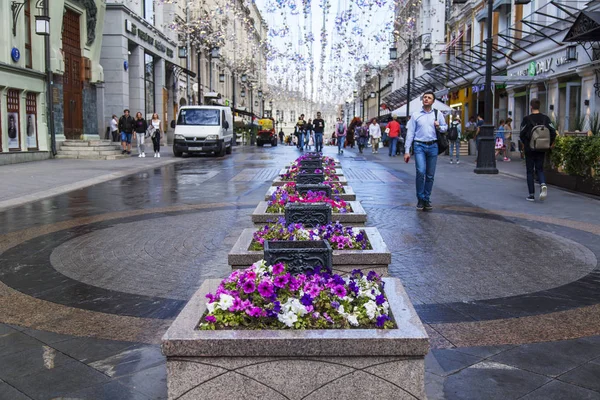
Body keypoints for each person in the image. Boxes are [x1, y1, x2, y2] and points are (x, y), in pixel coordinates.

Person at [404, 91, 448, 211]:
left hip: (433, 146)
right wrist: (407, 150)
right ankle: (420, 198)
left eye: (429, 98)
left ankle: (427, 199)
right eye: (425, 97)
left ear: (433, 101)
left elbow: (445, 128)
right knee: (420, 172)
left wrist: (439, 126)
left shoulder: (437, 113)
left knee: (430, 175)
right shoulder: (416, 115)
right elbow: (410, 133)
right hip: (419, 146)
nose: (426, 99)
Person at [519, 98, 556, 202]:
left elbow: (522, 134)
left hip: (530, 149)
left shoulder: (527, 119)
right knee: (540, 169)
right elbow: (553, 132)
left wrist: (526, 144)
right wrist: (548, 143)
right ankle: (543, 184)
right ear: (539, 106)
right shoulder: (546, 119)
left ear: (531, 107)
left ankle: (531, 195)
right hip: (542, 148)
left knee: (530, 171)